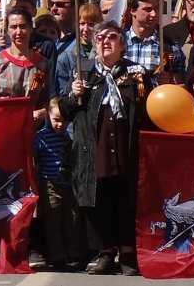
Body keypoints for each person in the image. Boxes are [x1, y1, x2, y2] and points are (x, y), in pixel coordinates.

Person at [61, 20, 153, 275]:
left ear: (122, 44)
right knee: (98, 199)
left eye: (111, 36)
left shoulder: (137, 74)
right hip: (94, 147)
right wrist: (73, 94)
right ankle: (105, 251)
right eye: (100, 37)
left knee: (125, 199)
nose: (105, 41)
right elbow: (65, 111)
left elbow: (149, 111)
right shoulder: (84, 73)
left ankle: (127, 253)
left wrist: (156, 87)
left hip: (125, 146)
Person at [35, 98, 85, 271]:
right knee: (53, 220)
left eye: (64, 121)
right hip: (51, 183)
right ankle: (57, 255)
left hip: (70, 183)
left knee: (72, 219)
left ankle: (73, 253)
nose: (60, 125)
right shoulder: (41, 137)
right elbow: (33, 157)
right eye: (56, 120)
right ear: (48, 116)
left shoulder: (70, 136)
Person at [0, 8, 49, 118]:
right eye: (13, 27)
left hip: (30, 128)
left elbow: (44, 99)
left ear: (31, 28)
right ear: (7, 30)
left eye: (23, 26)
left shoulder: (42, 63)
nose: (18, 32)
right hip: (2, 126)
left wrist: (43, 111)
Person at [125, 0, 185, 84]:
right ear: (133, 11)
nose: (154, 14)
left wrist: (169, 82)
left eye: (156, 8)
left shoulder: (171, 47)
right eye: (148, 9)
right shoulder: (118, 43)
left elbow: (181, 87)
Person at [55, 3, 102, 97]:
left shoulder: (105, 55)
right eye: (82, 24)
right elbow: (61, 95)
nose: (85, 29)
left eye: (91, 24)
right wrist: (72, 90)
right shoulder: (66, 58)